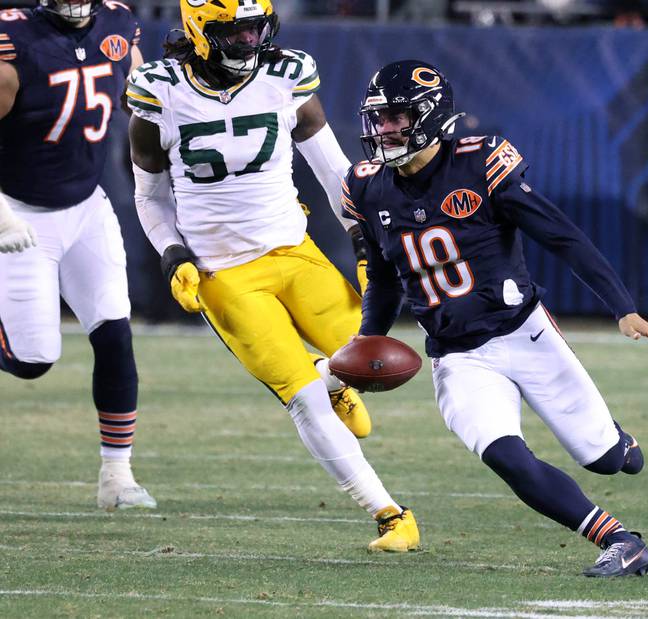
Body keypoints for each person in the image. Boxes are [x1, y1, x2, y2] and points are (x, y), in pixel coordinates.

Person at [343, 60, 648, 576]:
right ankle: (621, 541)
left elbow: (560, 234)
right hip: (455, 355)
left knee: (608, 460)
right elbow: (384, 278)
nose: (385, 130)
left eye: (397, 118)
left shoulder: (480, 164)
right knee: (506, 457)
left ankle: (618, 442)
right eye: (379, 119)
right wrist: (366, 343)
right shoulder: (367, 187)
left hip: (525, 333)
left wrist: (622, 306)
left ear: (432, 117)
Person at [126, 0, 419, 551]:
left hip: (295, 253)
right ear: (198, 30)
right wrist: (172, 254)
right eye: (232, 32)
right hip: (225, 274)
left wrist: (362, 239)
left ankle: (332, 378)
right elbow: (149, 194)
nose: (247, 42)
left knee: (373, 359)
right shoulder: (159, 90)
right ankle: (389, 514)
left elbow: (334, 170)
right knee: (303, 397)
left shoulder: (285, 75)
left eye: (255, 29)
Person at [0, 0, 156, 511]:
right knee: (32, 360)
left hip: (87, 205)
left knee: (115, 332)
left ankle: (118, 476)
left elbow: (142, 98)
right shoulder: (14, 40)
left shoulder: (117, 23)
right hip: (19, 211)